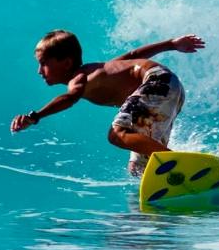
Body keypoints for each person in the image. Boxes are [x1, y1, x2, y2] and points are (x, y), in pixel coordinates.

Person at [11, 29, 205, 173]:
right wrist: (171, 44)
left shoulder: (79, 77)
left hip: (156, 82)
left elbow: (69, 98)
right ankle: (180, 175)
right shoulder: (101, 70)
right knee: (138, 168)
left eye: (44, 63)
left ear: (67, 63)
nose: (39, 71)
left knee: (117, 134)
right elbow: (133, 56)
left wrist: (35, 116)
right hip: (169, 88)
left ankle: (180, 165)